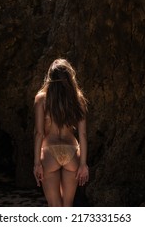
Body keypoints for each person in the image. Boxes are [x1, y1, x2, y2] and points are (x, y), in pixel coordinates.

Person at [33, 58, 89, 207]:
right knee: (67, 206)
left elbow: (39, 133)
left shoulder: (41, 99)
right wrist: (83, 164)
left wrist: (37, 163)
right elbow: (83, 135)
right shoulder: (78, 99)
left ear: (50, 77)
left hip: (50, 152)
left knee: (55, 207)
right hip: (71, 151)